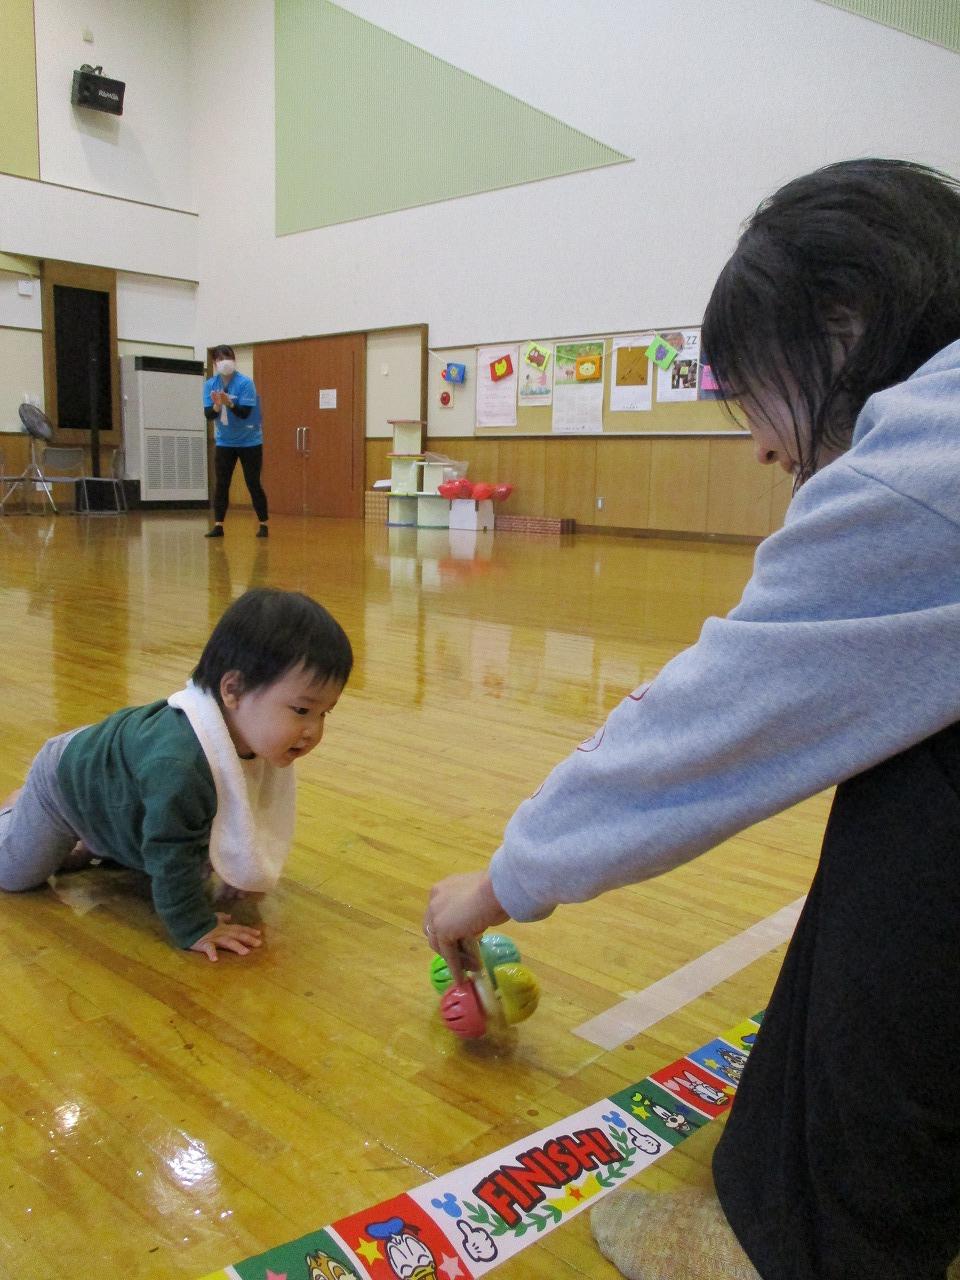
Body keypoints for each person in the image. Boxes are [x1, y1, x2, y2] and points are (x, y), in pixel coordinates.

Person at [424, 158, 960, 1280]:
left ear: (844, 324)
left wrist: (504, 878)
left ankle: (812, 1247)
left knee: (910, 817)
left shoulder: (924, 465)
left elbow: (714, 722)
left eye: (755, 391)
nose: (761, 444)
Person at [0, 588, 352, 961]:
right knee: (14, 875)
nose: (313, 730)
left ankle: (96, 838)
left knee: (175, 849)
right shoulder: (181, 766)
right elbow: (170, 853)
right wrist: (195, 925)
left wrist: (239, 866)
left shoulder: (249, 736)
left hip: (118, 784)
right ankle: (19, 807)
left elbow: (233, 810)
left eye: (324, 713)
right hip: (67, 781)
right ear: (233, 690)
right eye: (301, 710)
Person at [203, 344, 269, 538]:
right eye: (221, 359)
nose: (225, 362)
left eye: (228, 358)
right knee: (222, 483)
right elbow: (208, 415)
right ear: (215, 363)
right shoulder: (210, 385)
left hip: (250, 442)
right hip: (225, 442)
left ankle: (263, 524)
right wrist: (217, 405)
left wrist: (229, 403)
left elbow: (245, 413)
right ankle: (218, 525)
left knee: (253, 483)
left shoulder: (245, 383)